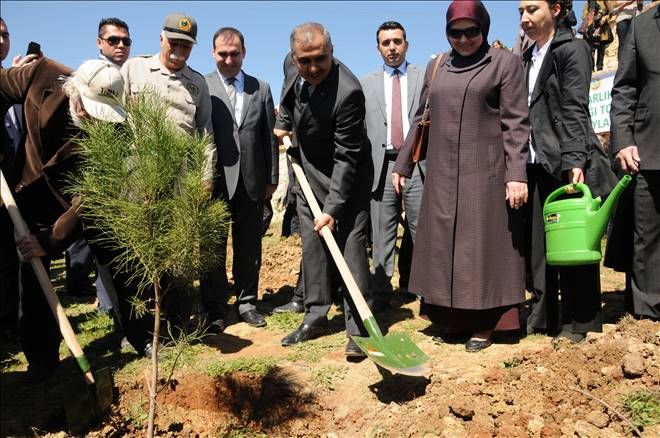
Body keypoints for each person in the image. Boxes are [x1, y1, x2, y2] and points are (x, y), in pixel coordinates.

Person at [392, 0, 530, 352]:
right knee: (443, 248)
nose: (464, 39)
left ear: (484, 28)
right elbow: (420, 119)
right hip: (440, 172)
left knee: (480, 249)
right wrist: (403, 165)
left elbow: (516, 123)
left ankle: (485, 324)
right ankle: (450, 319)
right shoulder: (437, 66)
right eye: (456, 32)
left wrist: (516, 173)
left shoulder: (505, 63)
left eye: (472, 31)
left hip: (485, 172)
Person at [1, 58, 131, 380]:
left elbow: (88, 199)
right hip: (30, 192)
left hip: (79, 203)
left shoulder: (115, 130)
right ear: (73, 89)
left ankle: (137, 332)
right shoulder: (39, 74)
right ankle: (42, 358)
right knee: (33, 277)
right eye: (89, 107)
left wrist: (52, 240)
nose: (92, 118)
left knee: (116, 261)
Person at [274, 23, 373, 357]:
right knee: (313, 248)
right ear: (295, 57)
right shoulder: (292, 65)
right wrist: (284, 121)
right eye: (306, 61)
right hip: (307, 170)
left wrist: (332, 209)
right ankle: (315, 316)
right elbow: (288, 95)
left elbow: (346, 158)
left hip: (348, 176)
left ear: (332, 51)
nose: (313, 68)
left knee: (350, 247)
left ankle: (360, 329)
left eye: (321, 59)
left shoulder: (349, 92)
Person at [520, 0, 617, 343]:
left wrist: (574, 159)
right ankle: (545, 318)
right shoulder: (528, 55)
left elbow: (576, 106)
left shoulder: (572, 48)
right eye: (521, 12)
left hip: (566, 160)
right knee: (541, 245)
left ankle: (581, 322)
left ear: (557, 8)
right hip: (536, 161)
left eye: (532, 9)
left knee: (574, 242)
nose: (525, 18)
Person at [201, 27, 278, 331]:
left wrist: (271, 179)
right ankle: (215, 308)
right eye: (223, 54)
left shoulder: (260, 88)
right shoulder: (202, 85)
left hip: (251, 182)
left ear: (244, 53)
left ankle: (247, 302)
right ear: (213, 53)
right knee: (212, 249)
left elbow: (269, 138)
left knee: (249, 246)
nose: (229, 60)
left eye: (235, 54)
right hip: (213, 183)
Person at [360, 21, 425, 310]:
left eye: (397, 41)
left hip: (416, 164)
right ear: (378, 48)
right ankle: (381, 294)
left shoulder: (424, 76)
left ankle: (422, 290)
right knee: (382, 232)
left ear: (406, 44)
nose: (392, 48)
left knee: (421, 229)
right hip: (381, 167)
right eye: (386, 43)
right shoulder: (365, 84)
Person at [609, 3, 660, 321]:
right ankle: (648, 320)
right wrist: (624, 140)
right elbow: (624, 89)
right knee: (648, 238)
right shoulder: (641, 27)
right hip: (648, 150)